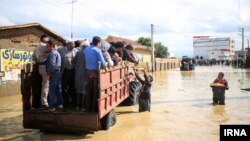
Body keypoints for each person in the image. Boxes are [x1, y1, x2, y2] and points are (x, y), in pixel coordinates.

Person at [84, 36, 107, 112]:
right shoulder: (97, 50)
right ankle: (94, 109)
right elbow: (103, 62)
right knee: (95, 91)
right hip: (95, 72)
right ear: (98, 42)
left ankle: (87, 108)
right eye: (100, 43)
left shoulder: (86, 49)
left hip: (87, 72)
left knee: (89, 90)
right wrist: (106, 67)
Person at [57, 40, 79, 108]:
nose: (74, 46)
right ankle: (65, 103)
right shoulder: (60, 50)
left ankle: (73, 103)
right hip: (65, 71)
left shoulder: (76, 51)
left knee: (73, 87)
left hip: (73, 71)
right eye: (73, 44)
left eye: (74, 45)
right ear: (68, 44)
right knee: (64, 88)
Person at [32, 34, 50, 109]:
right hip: (45, 67)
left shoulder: (36, 48)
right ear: (41, 41)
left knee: (45, 85)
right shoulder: (43, 46)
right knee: (45, 86)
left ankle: (44, 102)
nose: (47, 43)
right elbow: (53, 49)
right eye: (45, 41)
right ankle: (44, 103)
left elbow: (33, 58)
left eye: (47, 42)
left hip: (41, 67)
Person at [46, 40, 63, 111]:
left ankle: (52, 107)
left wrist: (49, 74)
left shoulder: (52, 53)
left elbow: (52, 64)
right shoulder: (57, 53)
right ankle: (60, 104)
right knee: (58, 89)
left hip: (54, 72)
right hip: (58, 72)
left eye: (47, 46)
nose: (46, 48)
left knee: (52, 90)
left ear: (51, 46)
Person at [73, 39, 90, 110]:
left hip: (77, 73)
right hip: (85, 73)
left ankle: (77, 106)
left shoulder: (78, 52)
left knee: (78, 90)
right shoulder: (88, 53)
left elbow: (73, 61)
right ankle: (83, 107)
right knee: (84, 91)